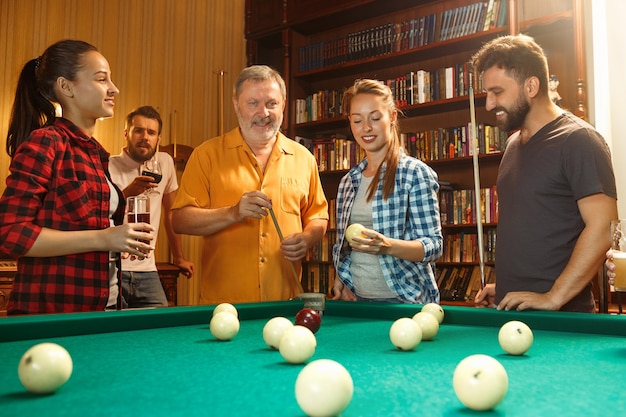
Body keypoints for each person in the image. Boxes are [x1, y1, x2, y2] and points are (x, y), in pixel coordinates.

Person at [0, 39, 154, 315]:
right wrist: (105, 238)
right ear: (66, 86)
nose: (113, 88)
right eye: (101, 79)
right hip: (53, 315)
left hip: (103, 309)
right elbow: (11, 234)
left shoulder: (98, 154)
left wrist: (119, 240)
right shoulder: (45, 143)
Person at [471, 34, 618, 313]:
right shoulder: (513, 144)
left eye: (497, 92)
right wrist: (503, 287)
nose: (489, 104)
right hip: (513, 308)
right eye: (487, 93)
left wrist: (553, 296)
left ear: (531, 86)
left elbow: (603, 228)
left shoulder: (580, 139)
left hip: (562, 319)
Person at [171, 65, 328, 304]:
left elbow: (318, 216)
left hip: (285, 303)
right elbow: (180, 220)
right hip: (224, 307)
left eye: (271, 103)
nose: (263, 113)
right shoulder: (207, 154)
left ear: (284, 105)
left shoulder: (304, 158)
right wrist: (233, 213)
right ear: (236, 105)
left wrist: (306, 239)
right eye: (253, 103)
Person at [331, 79, 443, 304]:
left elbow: (433, 246)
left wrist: (387, 246)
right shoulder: (347, 182)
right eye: (357, 120)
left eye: (375, 118)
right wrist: (341, 279)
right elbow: (345, 245)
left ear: (392, 117)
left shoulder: (415, 173)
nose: (366, 128)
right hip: (358, 301)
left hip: (404, 303)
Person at [109, 106, 194, 308]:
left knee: (161, 327)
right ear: (126, 133)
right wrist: (129, 192)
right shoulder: (108, 165)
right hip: (113, 269)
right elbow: (101, 214)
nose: (145, 137)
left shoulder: (164, 163)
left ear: (158, 138)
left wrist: (179, 257)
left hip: (148, 270)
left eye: (151, 132)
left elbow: (171, 214)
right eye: (138, 130)